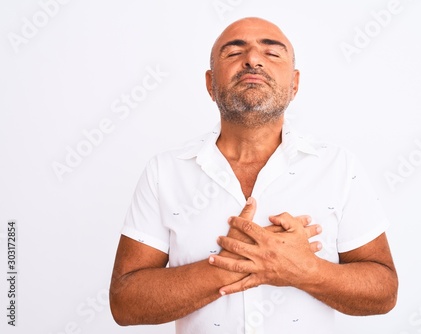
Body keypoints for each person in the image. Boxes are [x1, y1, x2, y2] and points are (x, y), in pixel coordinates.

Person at [109, 17, 398, 333]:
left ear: (295, 84)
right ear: (210, 83)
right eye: (234, 53)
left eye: (272, 54)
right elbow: (126, 302)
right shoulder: (165, 171)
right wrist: (230, 266)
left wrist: (305, 270)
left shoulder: (339, 166)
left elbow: (383, 291)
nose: (253, 59)